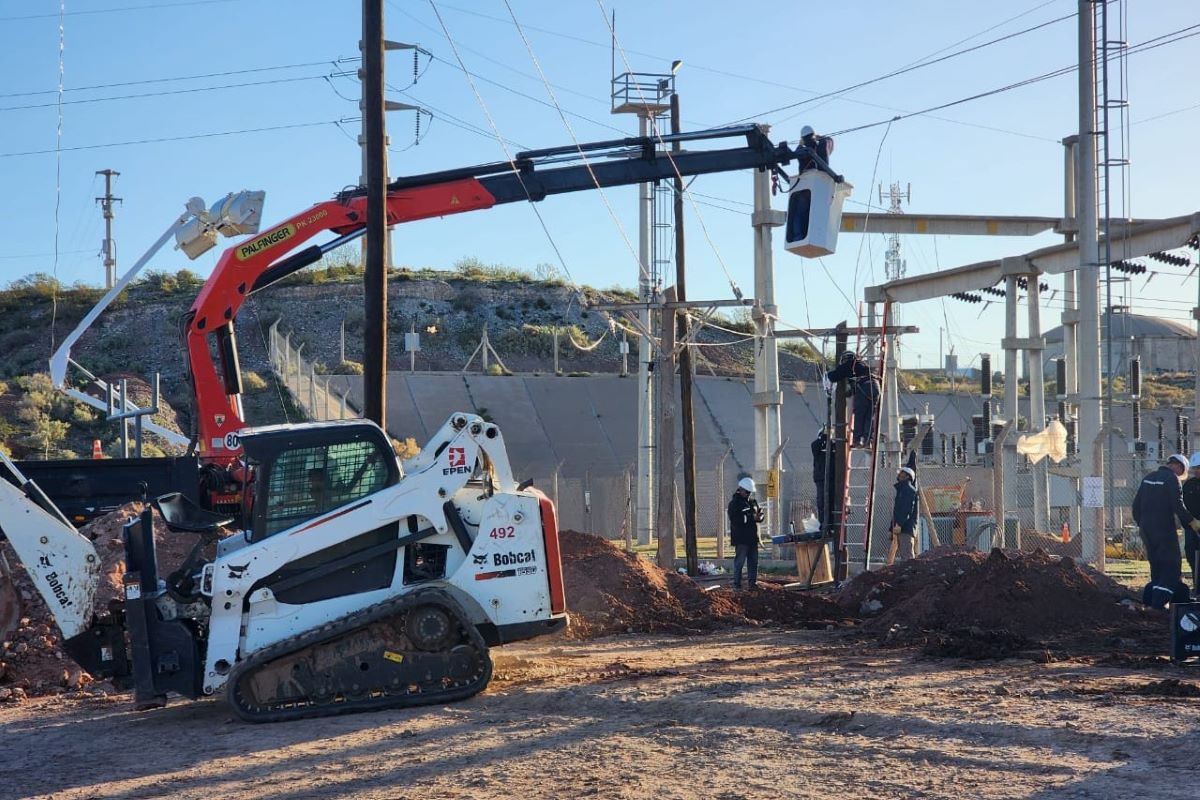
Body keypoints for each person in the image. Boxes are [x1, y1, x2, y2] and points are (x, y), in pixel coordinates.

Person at [1131, 453, 1200, 608]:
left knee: (1157, 567)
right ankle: (1157, 606)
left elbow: (1136, 506)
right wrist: (1192, 522)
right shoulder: (1171, 479)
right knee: (1171, 567)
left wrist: (1143, 525)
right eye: (1181, 471)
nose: (1180, 474)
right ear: (1178, 466)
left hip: (1146, 531)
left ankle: (1150, 602)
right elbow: (1178, 506)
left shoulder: (1148, 477)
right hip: (1164, 530)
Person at [826, 351, 879, 447]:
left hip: (864, 387)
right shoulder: (862, 365)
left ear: (845, 359)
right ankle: (868, 441)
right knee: (869, 416)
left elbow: (834, 376)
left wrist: (828, 372)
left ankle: (857, 440)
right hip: (875, 386)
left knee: (859, 414)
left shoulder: (849, 364)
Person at [728, 476, 765, 590]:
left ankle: (752, 583)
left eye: (750, 492)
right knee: (739, 562)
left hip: (753, 538)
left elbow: (758, 517)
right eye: (747, 492)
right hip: (741, 539)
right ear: (741, 489)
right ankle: (737, 584)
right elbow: (735, 520)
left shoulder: (753, 502)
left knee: (753, 562)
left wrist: (759, 517)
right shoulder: (735, 504)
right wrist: (751, 518)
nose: (749, 494)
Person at [887, 466, 919, 565]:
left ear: (907, 476)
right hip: (902, 527)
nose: (899, 475)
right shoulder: (902, 490)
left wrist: (899, 524)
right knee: (904, 555)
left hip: (906, 528)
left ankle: (911, 576)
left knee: (907, 557)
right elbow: (897, 511)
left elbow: (906, 510)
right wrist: (891, 528)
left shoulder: (908, 490)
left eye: (902, 474)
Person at [1182, 452, 1200, 592]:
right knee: (1191, 556)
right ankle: (1197, 586)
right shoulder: (1189, 485)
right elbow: (1183, 506)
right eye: (1195, 468)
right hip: (1191, 528)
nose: (1196, 471)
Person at [811, 428, 829, 529]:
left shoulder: (834, 446)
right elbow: (814, 446)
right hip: (821, 479)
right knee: (822, 502)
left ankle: (830, 523)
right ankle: (823, 523)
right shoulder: (817, 445)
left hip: (832, 479)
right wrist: (824, 437)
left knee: (831, 502)